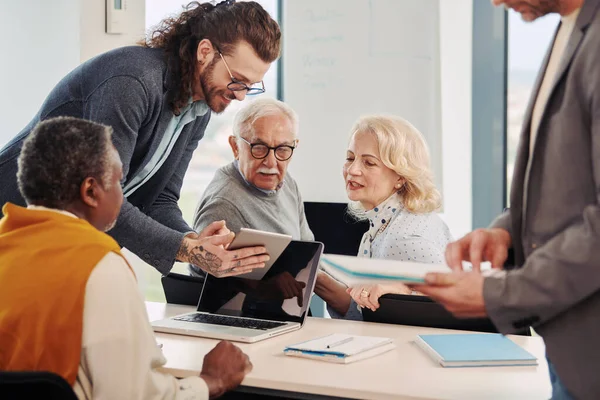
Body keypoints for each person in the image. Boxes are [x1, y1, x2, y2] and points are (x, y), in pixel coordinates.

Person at [0, 0, 281, 277]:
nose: (241, 95)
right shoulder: (132, 83)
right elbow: (100, 195)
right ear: (205, 52)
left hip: (62, 248)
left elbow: (160, 200)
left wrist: (195, 241)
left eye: (250, 87)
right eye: (237, 80)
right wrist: (186, 249)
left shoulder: (198, 110)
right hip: (13, 229)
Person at [410, 1, 600, 398]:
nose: (494, 2)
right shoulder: (571, 30)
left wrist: (499, 295)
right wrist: (508, 233)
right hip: (570, 349)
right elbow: (570, 188)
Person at [0, 117, 252, 399]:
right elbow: (131, 396)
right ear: (91, 191)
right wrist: (210, 381)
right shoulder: (99, 266)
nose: (123, 197)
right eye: (120, 182)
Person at [314, 115, 452, 320]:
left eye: (369, 163)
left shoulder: (404, 237)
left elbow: (455, 300)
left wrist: (407, 292)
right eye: (350, 158)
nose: (352, 170)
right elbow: (368, 312)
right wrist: (316, 279)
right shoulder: (386, 223)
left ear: (400, 177)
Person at [190, 97, 314, 277]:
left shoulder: (287, 182)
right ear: (235, 147)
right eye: (259, 147)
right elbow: (206, 285)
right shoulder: (223, 204)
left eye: (282, 149)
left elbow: (308, 253)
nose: (271, 162)